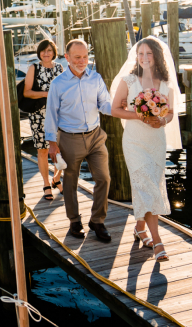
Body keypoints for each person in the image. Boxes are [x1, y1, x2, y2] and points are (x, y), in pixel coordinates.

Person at [110, 36, 180, 262]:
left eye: (149, 54)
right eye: (140, 54)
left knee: (149, 187)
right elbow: (115, 110)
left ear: (157, 56)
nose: (144, 58)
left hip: (156, 141)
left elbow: (169, 113)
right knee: (146, 187)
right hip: (134, 142)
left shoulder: (166, 83)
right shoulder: (129, 81)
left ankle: (140, 228)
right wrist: (138, 114)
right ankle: (158, 241)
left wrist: (162, 121)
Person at [45, 40, 113, 242]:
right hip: (69, 138)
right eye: (77, 57)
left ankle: (97, 221)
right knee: (71, 182)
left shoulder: (96, 78)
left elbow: (106, 104)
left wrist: (125, 110)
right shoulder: (58, 84)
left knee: (104, 178)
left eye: (85, 57)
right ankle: (74, 221)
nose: (82, 61)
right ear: (67, 58)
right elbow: (51, 115)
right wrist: (52, 144)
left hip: (95, 136)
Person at [23, 41, 64, 201]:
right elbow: (27, 92)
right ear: (39, 53)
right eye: (43, 51)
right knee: (43, 150)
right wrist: (46, 94)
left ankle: (57, 178)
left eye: (49, 51)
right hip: (39, 115)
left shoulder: (59, 68)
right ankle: (46, 184)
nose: (46, 53)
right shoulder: (34, 68)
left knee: (61, 150)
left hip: (59, 114)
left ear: (54, 52)